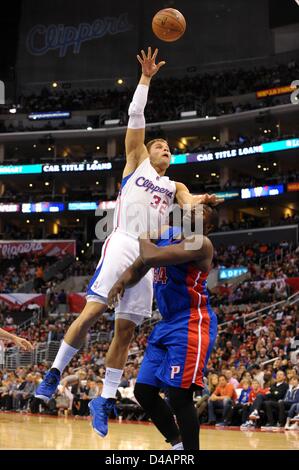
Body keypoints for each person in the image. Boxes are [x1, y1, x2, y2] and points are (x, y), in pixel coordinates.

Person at [35, 46, 220, 438]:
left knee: (125, 331)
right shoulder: (136, 163)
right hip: (122, 240)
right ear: (147, 150)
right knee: (93, 312)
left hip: (147, 258)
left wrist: (204, 200)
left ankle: (103, 399)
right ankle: (54, 372)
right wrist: (146, 78)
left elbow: (190, 205)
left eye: (169, 148)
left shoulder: (175, 185)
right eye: (159, 145)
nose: (164, 148)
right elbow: (137, 117)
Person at [106, 204, 218, 450]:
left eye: (201, 214)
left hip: (192, 322)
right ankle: (177, 444)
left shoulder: (201, 243)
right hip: (167, 323)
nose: (193, 212)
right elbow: (139, 267)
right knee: (144, 391)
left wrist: (145, 235)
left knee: (179, 396)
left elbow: (151, 257)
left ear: (207, 226)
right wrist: (121, 282)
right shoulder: (167, 233)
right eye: (194, 208)